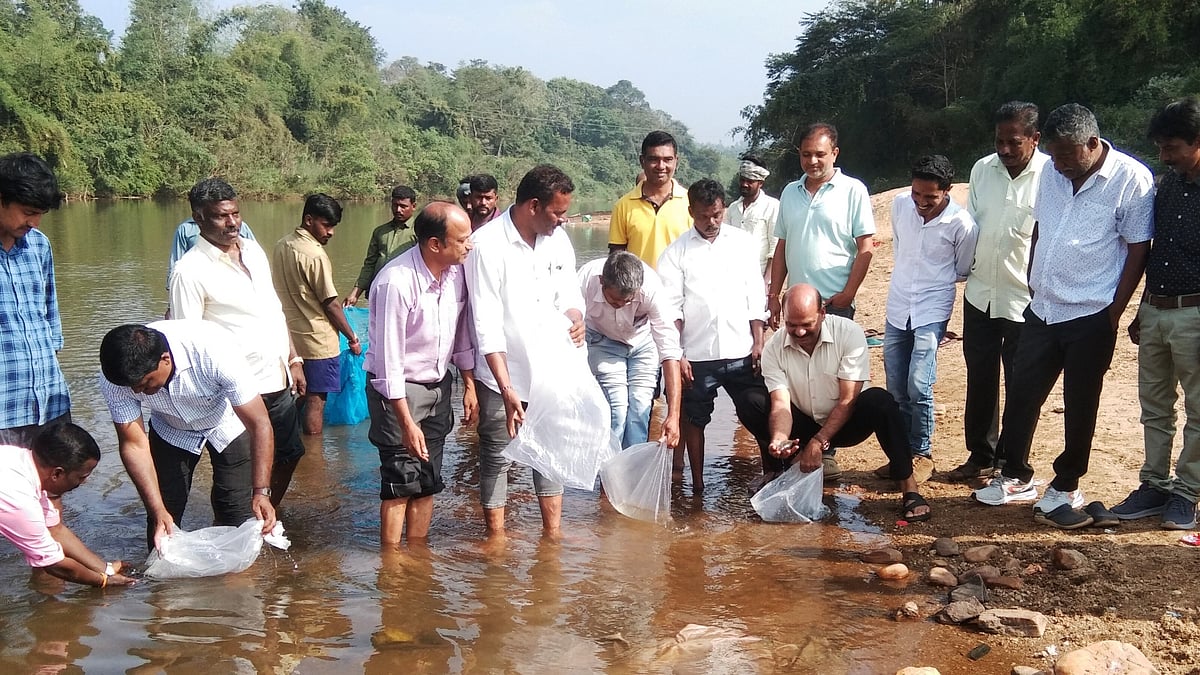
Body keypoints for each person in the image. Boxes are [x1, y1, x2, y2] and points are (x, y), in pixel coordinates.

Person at [972, 104, 1154, 529]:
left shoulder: (1132, 179)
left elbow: (1137, 248)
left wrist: (1114, 313)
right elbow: (1041, 227)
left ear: (1093, 143)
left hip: (1092, 312)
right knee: (1022, 394)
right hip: (1043, 306)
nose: (1059, 164)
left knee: (1079, 403)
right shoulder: (1053, 173)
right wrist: (1036, 278)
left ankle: (1068, 484)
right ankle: (1015, 475)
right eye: (1053, 154)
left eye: (1068, 154)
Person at [169, 178, 306, 507]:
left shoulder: (254, 251)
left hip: (276, 379)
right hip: (234, 394)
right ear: (198, 219)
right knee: (238, 475)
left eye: (235, 213)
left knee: (289, 454)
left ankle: (268, 514)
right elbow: (187, 343)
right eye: (220, 216)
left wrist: (293, 359)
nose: (231, 222)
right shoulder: (189, 272)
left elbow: (274, 310)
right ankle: (239, 530)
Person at [740, 285, 931, 521]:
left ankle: (909, 487)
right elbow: (780, 404)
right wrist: (779, 438)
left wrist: (819, 442)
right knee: (751, 401)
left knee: (881, 402)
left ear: (822, 313)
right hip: (802, 425)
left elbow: (847, 399)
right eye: (792, 325)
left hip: (846, 421)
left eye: (806, 325)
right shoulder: (774, 347)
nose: (799, 332)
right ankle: (783, 469)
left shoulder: (849, 333)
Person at [466, 164, 586, 537]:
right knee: (498, 456)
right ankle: (497, 539)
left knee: (550, 455)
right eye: (557, 212)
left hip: (551, 371)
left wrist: (576, 315)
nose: (563, 221)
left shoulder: (558, 241)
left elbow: (569, 293)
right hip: (504, 374)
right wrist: (506, 390)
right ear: (533, 206)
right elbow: (485, 323)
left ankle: (552, 535)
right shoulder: (486, 246)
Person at [99, 321, 278, 549]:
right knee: (163, 516)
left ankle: (234, 581)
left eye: (145, 384)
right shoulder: (116, 377)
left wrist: (261, 492)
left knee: (235, 510)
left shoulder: (213, 350)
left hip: (225, 421)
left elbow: (259, 423)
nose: (136, 392)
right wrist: (158, 510)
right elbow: (134, 445)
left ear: (165, 360)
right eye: (132, 387)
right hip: (170, 428)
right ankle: (161, 583)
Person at [363, 202, 478, 544]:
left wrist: (468, 385)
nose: (468, 246)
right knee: (400, 481)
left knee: (428, 480)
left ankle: (417, 557)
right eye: (462, 240)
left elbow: (461, 337)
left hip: (439, 385)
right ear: (434, 244)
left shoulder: (455, 275)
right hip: (398, 392)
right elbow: (388, 363)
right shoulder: (395, 283)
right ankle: (393, 567)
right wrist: (406, 422)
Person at [950, 101, 1050, 482]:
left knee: (1021, 384)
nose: (1005, 150)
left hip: (1024, 298)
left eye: (1014, 142)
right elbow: (971, 226)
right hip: (980, 293)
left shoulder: (1049, 176)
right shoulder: (981, 170)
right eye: (999, 142)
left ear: (1035, 139)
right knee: (980, 377)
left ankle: (1012, 461)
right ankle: (980, 455)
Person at [1114, 98, 1200, 530]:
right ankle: (1154, 484)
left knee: (1199, 411)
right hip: (1156, 309)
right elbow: (1157, 252)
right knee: (1155, 407)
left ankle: (1187, 493)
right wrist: (1140, 311)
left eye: (1172, 147)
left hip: (1195, 314)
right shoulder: (1166, 187)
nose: (1164, 156)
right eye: (1161, 147)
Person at [657, 179, 767, 492]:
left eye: (717, 214)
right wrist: (678, 354)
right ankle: (696, 484)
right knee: (693, 418)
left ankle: (771, 470)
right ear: (691, 212)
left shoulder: (743, 243)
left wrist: (758, 342)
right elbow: (671, 310)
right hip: (697, 354)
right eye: (704, 216)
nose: (711, 222)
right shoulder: (676, 252)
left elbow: (754, 295)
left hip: (741, 350)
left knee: (759, 409)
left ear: (724, 209)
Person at [880, 156, 978, 484]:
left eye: (930, 198)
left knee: (919, 384)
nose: (921, 203)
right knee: (895, 388)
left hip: (932, 309)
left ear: (947, 192)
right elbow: (899, 247)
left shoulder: (961, 224)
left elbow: (961, 269)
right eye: (916, 195)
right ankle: (902, 455)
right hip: (897, 306)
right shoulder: (899, 206)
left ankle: (922, 453)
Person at [0, 423, 136, 587]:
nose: (85, 482)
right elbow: (54, 565)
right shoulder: (20, 500)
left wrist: (106, 569)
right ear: (57, 473)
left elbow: (55, 530)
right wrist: (104, 581)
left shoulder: (20, 461)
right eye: (81, 477)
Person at [272, 194, 362, 435]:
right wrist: (352, 337)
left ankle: (286, 447)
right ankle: (313, 456)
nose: (331, 232)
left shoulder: (282, 244)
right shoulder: (315, 254)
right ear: (309, 220)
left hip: (288, 339)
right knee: (315, 400)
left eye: (333, 226)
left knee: (294, 395)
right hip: (316, 341)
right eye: (326, 225)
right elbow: (331, 304)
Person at [769, 123, 875, 323]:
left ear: (834, 153)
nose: (813, 161)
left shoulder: (853, 190)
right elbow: (782, 247)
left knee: (834, 355)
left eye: (820, 154)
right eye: (806, 154)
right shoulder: (790, 192)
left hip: (834, 304)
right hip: (797, 305)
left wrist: (848, 295)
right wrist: (774, 296)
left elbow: (866, 248)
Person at [0, 152, 71, 448]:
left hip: (49, 402)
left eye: (40, 213)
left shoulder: (39, 245)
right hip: (4, 409)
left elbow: (49, 315)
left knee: (52, 489)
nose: (35, 222)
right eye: (28, 211)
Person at [577, 250, 682, 449]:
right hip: (602, 340)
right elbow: (567, 320)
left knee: (639, 411)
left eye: (628, 301)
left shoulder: (651, 288)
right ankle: (607, 474)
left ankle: (629, 476)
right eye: (615, 301)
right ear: (602, 282)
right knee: (615, 411)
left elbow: (669, 350)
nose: (622, 306)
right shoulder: (586, 279)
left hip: (643, 343)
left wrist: (673, 415)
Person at [608, 131, 692, 269]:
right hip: (639, 288)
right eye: (654, 159)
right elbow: (616, 257)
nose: (661, 166)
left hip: (677, 288)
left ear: (676, 161)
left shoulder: (690, 202)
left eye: (668, 159)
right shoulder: (623, 206)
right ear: (642, 161)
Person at [344, 185, 419, 306]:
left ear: (413, 206)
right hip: (378, 291)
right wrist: (355, 293)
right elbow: (370, 264)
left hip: (406, 294)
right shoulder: (380, 232)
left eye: (403, 206)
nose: (398, 210)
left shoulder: (419, 231)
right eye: (395, 205)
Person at [167, 207, 254, 293]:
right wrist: (172, 292)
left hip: (238, 283)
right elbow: (176, 261)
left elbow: (253, 257)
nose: (231, 222)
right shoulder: (186, 229)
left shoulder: (241, 227)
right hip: (206, 285)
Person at [724, 154, 780, 280]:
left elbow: (775, 248)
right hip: (733, 276)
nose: (744, 184)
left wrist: (767, 282)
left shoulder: (772, 206)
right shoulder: (733, 208)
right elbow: (725, 242)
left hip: (758, 277)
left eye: (750, 181)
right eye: (742, 180)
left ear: (760, 183)